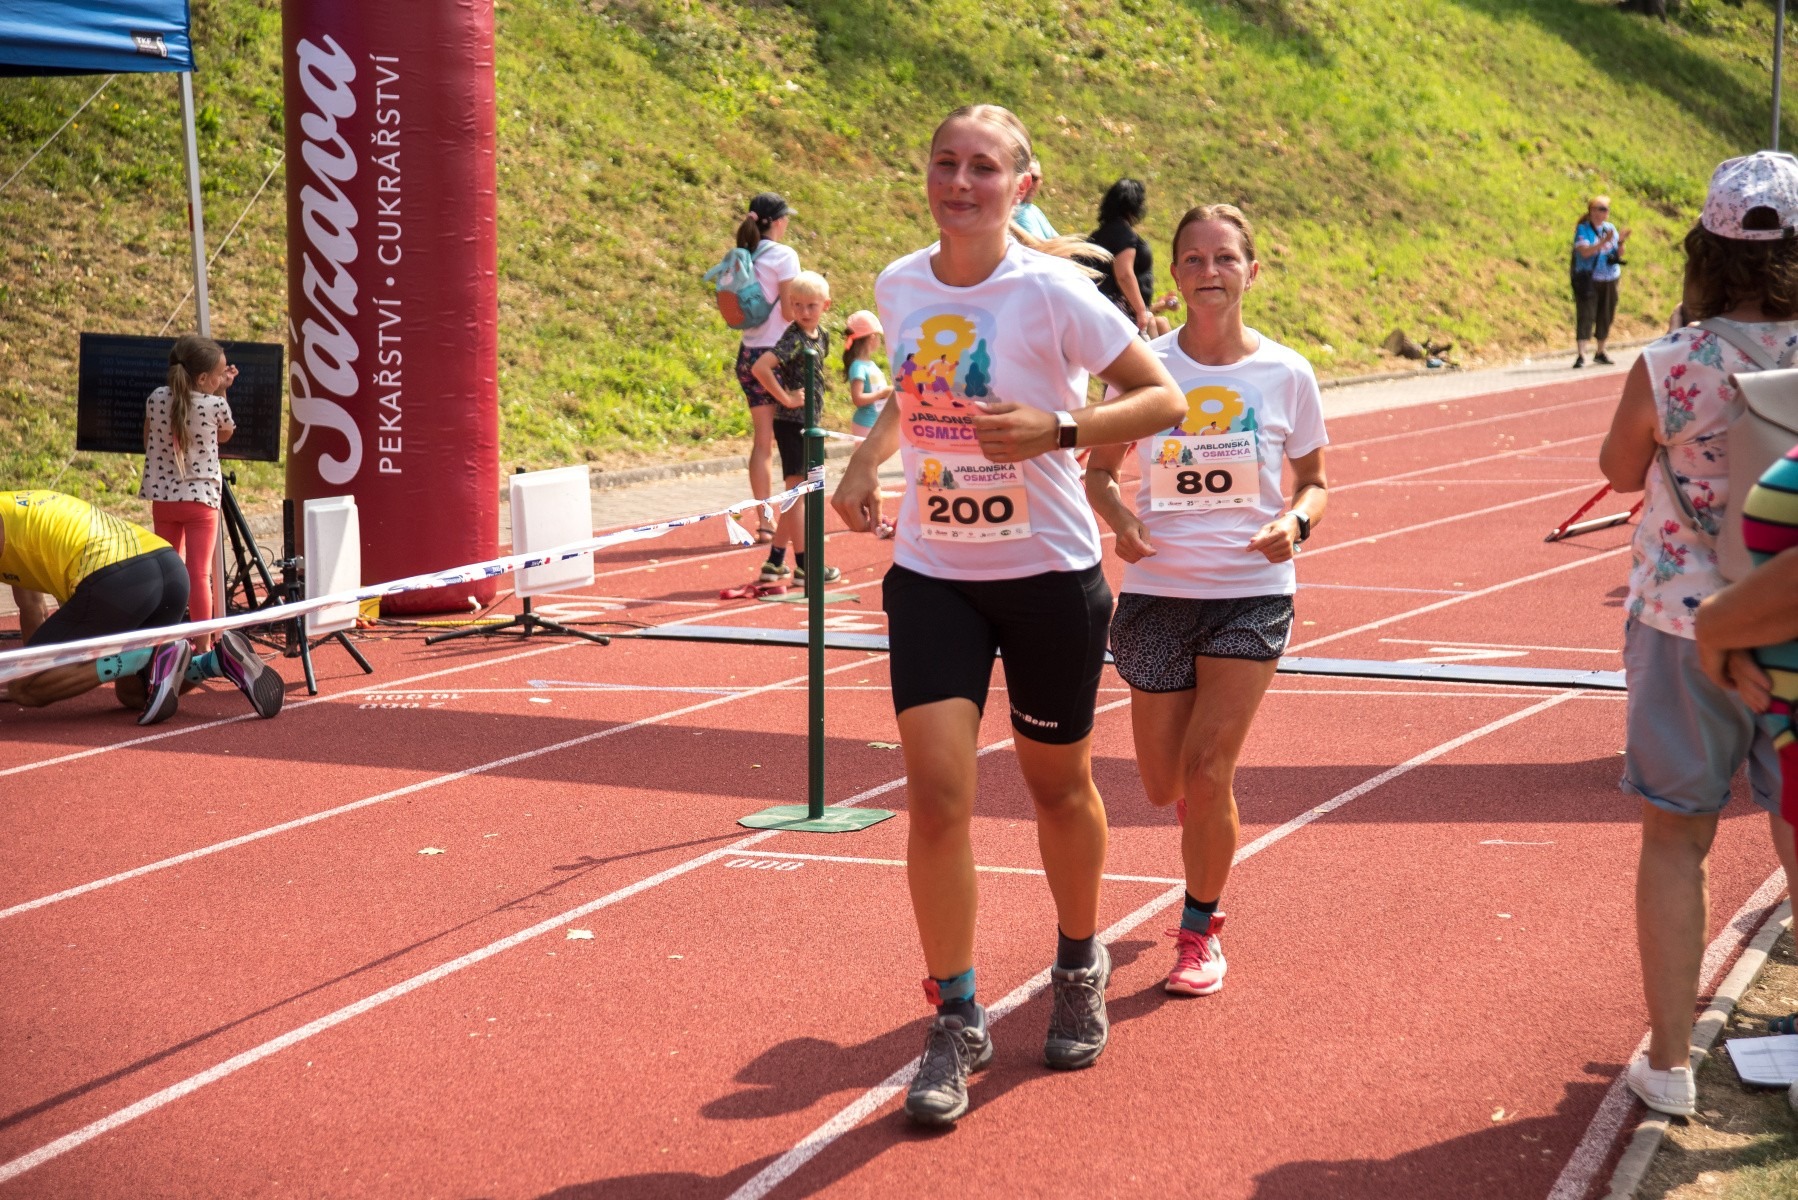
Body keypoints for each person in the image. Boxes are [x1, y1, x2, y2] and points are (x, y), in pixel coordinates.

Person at [832, 104, 1185, 1126]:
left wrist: (1058, 428)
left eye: (982, 167)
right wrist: (866, 460)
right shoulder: (899, 284)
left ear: (1021, 187)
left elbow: (1160, 398)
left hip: (1046, 576)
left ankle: (1078, 963)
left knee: (1056, 787)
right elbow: (913, 391)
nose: (959, 182)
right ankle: (956, 1015)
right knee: (937, 795)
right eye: (944, 162)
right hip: (933, 571)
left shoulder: (1054, 293)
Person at [1597, 151, 1798, 1119]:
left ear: (1704, 248)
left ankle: (1670, 1064)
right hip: (1792, 620)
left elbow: (1616, 467)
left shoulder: (1669, 362)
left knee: (1676, 839)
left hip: (1682, 618)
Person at [1085, 203, 1328, 997]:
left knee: (1210, 767)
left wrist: (1294, 523)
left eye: (1225, 258)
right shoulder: (1143, 368)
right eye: (1193, 258)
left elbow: (1315, 482)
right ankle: (1200, 817)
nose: (1209, 272)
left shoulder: (1287, 373)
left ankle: (1199, 932)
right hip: (1159, 590)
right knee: (1165, 785)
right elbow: (1098, 473)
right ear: (1176, 275)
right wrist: (1121, 521)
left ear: (1251, 272)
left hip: (1249, 593)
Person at [1, 489, 283, 724]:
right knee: (134, 694)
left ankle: (140, 657)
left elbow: (47, 628)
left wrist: (26, 678)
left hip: (118, 579)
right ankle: (215, 662)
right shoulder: (17, 517)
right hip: (167, 567)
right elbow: (32, 608)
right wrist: (30, 668)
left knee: (23, 688)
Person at [143, 333, 237, 650]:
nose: (221, 379)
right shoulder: (215, 404)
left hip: (163, 498)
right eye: (219, 375)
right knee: (199, 575)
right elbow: (224, 435)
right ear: (202, 378)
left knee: (167, 575)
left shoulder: (156, 398)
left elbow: (147, 439)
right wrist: (223, 391)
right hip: (201, 500)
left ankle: (164, 644)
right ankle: (203, 645)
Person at [751, 271, 842, 587]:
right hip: (792, 425)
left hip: (810, 424)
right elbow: (760, 367)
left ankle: (775, 562)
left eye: (811, 306)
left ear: (825, 305)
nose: (804, 312)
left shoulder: (822, 336)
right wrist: (786, 398)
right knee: (798, 494)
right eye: (798, 305)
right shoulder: (793, 339)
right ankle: (806, 566)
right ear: (790, 306)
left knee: (797, 494)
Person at [732, 192, 803, 543]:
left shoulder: (743, 253)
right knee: (792, 442)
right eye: (785, 218)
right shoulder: (784, 256)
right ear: (777, 222)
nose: (787, 223)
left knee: (761, 443)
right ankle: (794, 524)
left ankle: (765, 521)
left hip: (748, 354)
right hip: (778, 357)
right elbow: (791, 312)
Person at [1088, 178, 1178, 337]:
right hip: (1120, 313)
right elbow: (1124, 275)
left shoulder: (1098, 235)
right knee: (1152, 328)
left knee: (1161, 323)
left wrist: (1157, 305)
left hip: (1102, 308)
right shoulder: (1123, 234)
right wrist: (1141, 310)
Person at [1572, 194, 1630, 367]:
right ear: (1592, 211)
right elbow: (1584, 252)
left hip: (1610, 277)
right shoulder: (1583, 229)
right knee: (1586, 313)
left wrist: (1620, 242)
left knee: (1606, 313)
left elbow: (1618, 252)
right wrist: (1603, 241)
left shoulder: (1610, 228)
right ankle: (1581, 354)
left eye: (1606, 209)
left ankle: (1600, 351)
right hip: (1590, 278)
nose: (1605, 212)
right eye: (1601, 209)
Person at [1012, 157, 1058, 241]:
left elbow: (1057, 238)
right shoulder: (1015, 212)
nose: (1029, 182)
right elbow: (1037, 245)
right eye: (1026, 177)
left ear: (1041, 181)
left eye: (1034, 178)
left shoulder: (1034, 210)